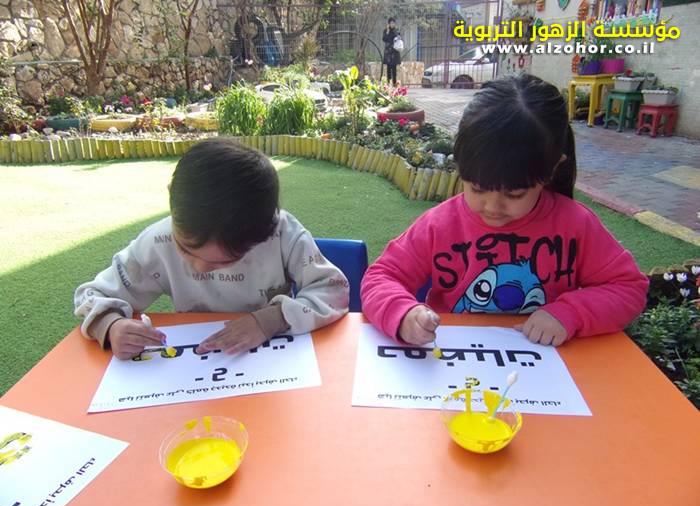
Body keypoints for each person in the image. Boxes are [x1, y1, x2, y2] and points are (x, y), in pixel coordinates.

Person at [361, 74, 648, 347]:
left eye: (514, 194)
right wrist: (402, 313)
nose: (492, 207)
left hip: (545, 367)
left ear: (551, 170)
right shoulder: (439, 225)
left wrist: (570, 313)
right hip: (454, 362)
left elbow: (629, 288)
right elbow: (381, 277)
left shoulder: (576, 225)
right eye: (477, 188)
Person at [75, 138, 349, 360]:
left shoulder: (282, 235)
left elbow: (334, 290)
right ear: (172, 203)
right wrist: (111, 325)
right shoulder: (158, 242)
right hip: (196, 367)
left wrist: (271, 319)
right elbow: (92, 295)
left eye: (225, 262)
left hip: (274, 360)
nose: (201, 267)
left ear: (264, 234)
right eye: (186, 249)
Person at [382, 17, 402, 86]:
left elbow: (398, 37)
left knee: (394, 68)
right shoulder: (385, 30)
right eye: (391, 23)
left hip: (394, 51)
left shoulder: (396, 30)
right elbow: (384, 39)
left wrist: (397, 35)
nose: (392, 24)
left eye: (393, 23)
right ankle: (388, 83)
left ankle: (394, 83)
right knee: (388, 68)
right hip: (388, 52)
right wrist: (387, 31)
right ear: (388, 24)